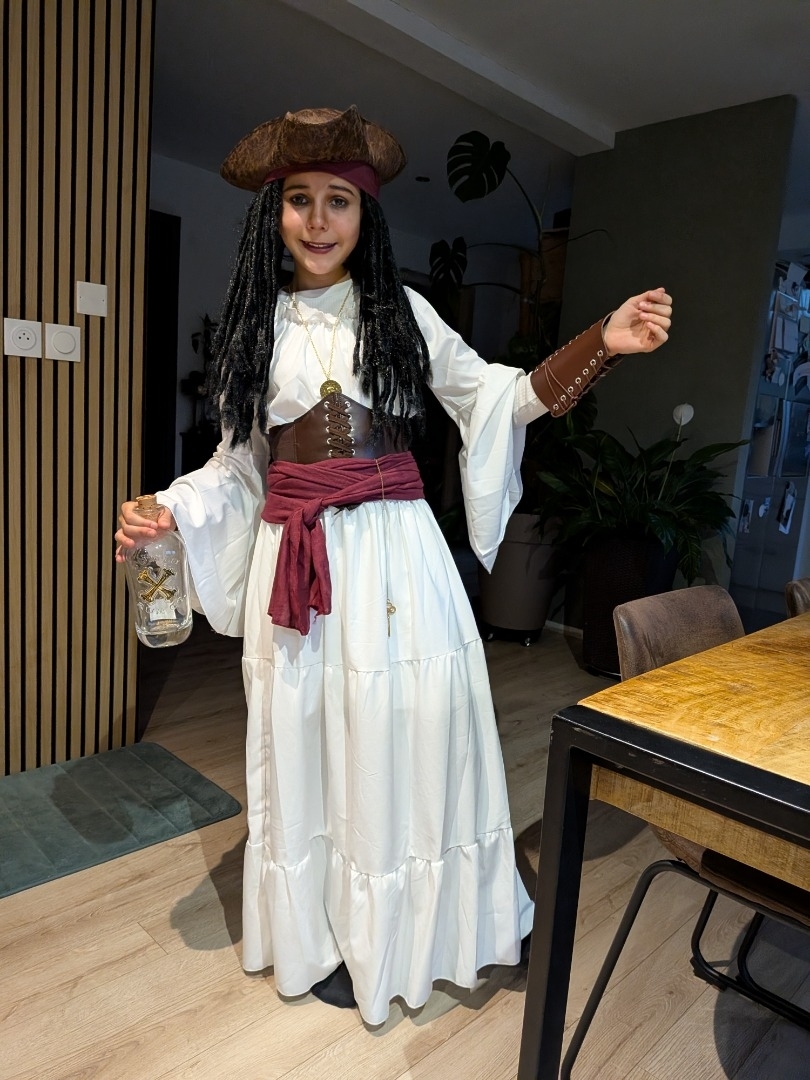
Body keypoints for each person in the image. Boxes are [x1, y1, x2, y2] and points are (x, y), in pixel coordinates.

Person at [116, 106, 672, 1026]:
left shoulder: (405, 314)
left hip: (396, 556)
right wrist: (172, 508)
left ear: (366, 212)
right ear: (273, 214)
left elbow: (497, 396)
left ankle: (425, 923)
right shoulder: (257, 326)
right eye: (299, 199)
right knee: (310, 736)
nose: (318, 219)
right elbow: (239, 465)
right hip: (297, 562)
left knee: (401, 731)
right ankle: (327, 931)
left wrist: (598, 345)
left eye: (339, 199)